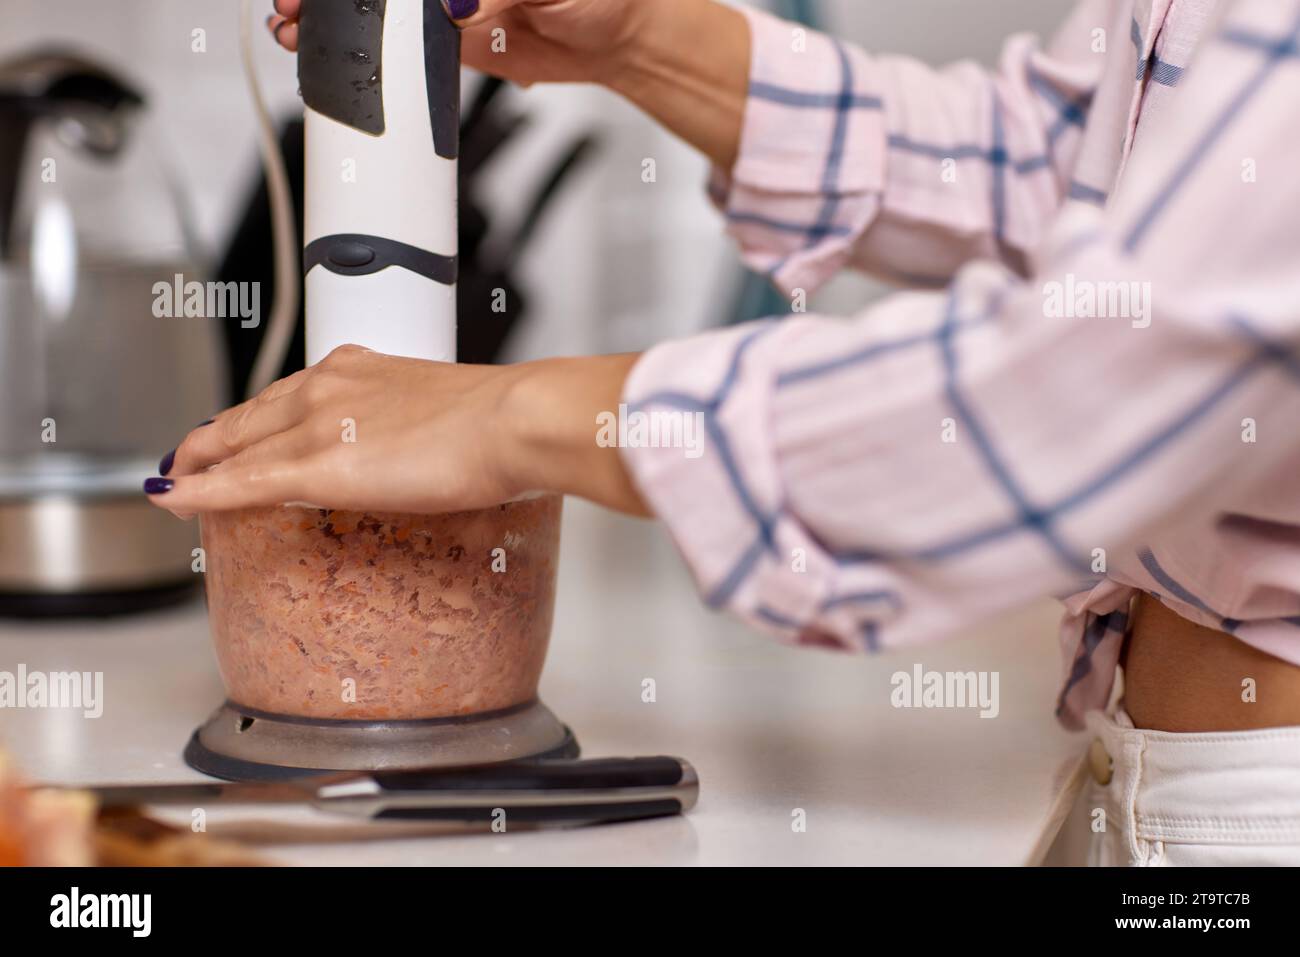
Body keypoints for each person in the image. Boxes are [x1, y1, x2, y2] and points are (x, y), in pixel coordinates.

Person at [146, 0, 1300, 865]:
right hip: (1133, 768)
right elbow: (1058, 175)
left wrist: (516, 417)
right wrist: (642, 37)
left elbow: (1100, 375)